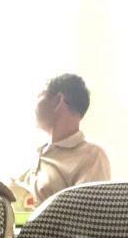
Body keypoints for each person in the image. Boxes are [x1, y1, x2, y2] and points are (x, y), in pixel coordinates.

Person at [20, 73, 111, 204]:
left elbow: (89, 212)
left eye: (39, 97)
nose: (34, 106)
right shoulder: (32, 152)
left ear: (58, 100)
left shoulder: (92, 156)